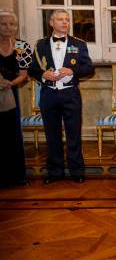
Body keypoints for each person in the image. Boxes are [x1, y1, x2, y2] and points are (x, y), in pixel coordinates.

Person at [28, 10, 94, 184]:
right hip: (49, 94)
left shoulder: (78, 44)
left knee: (74, 133)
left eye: (67, 20)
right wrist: (43, 74)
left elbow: (89, 68)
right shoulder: (40, 45)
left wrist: (73, 70)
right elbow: (32, 68)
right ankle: (55, 172)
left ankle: (76, 171)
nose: (65, 23)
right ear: (51, 22)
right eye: (60, 19)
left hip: (70, 93)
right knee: (52, 134)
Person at [0, 10, 33, 188]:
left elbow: (24, 74)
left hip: (11, 94)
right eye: (3, 24)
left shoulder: (22, 46)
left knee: (12, 135)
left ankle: (17, 176)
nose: (8, 27)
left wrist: (10, 84)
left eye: (11, 24)